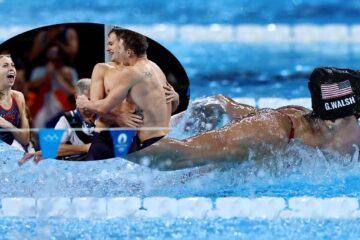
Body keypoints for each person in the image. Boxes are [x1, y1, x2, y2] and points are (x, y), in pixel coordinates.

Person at [124, 67, 360, 170]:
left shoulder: (313, 135)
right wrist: (111, 138)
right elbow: (178, 156)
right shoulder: (272, 133)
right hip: (165, 170)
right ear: (333, 121)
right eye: (357, 120)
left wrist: (225, 106)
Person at [76, 28, 179, 159]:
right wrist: (118, 117)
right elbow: (158, 105)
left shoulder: (132, 73)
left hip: (141, 141)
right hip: (109, 137)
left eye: (113, 44)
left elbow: (102, 107)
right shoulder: (155, 68)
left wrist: (86, 103)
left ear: (126, 49)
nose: (109, 48)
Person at [18, 78, 95, 165]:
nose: (91, 103)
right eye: (87, 99)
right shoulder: (66, 119)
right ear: (77, 97)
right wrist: (85, 148)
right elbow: (50, 149)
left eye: (94, 99)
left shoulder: (104, 118)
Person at [0, 54, 30, 150]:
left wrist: (8, 125)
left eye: (12, 65)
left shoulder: (18, 97)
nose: (11, 69)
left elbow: (25, 139)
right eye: (5, 66)